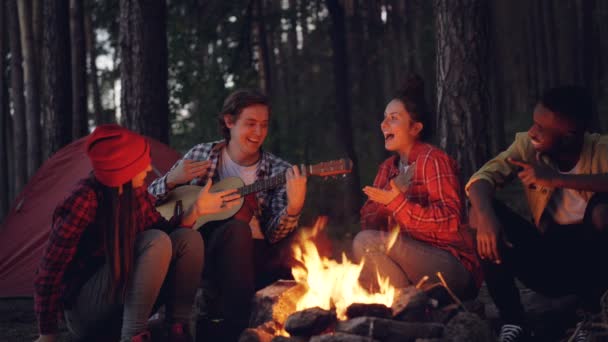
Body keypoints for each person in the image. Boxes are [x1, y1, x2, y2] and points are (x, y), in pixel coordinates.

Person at [34, 124, 238, 342]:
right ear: (123, 171)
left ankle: (177, 329)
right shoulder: (84, 200)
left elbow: (162, 227)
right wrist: (48, 333)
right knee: (155, 241)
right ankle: (133, 337)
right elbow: (50, 270)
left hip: (124, 301)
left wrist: (195, 211)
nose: (149, 169)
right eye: (142, 164)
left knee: (188, 239)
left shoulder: (135, 192)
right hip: (86, 312)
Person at [148, 89, 307, 341]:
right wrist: (170, 180)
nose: (258, 133)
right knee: (229, 231)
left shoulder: (279, 171)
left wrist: (293, 208)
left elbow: (277, 234)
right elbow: (151, 204)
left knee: (239, 230)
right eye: (250, 124)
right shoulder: (203, 155)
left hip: (253, 253)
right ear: (229, 122)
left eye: (264, 125)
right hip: (201, 250)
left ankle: (236, 329)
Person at [467, 85, 608, 341]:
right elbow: (481, 179)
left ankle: (593, 316)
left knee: (602, 211)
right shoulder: (527, 145)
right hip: (549, 259)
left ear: (569, 136)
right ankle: (514, 322)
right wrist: (487, 218)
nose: (532, 132)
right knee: (479, 212)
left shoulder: (601, 149)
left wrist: (556, 180)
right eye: (534, 123)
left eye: (541, 129)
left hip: (595, 264)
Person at [353, 75, 481, 301]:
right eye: (384, 119)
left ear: (415, 128)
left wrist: (397, 203)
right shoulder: (387, 169)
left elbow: (449, 220)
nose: (383, 125)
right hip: (411, 266)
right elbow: (369, 223)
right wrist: (387, 203)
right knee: (363, 244)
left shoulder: (432, 160)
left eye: (393, 118)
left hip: (453, 267)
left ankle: (409, 304)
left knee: (366, 242)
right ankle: (411, 308)